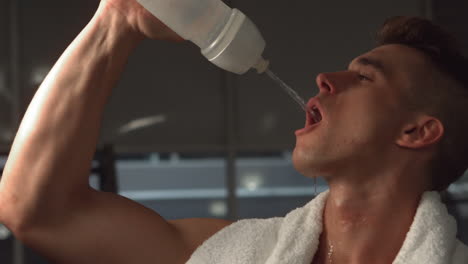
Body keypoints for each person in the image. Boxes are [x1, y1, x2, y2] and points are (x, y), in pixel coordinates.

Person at [0, 0, 467, 263]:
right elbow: (38, 212)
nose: (326, 79)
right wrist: (115, 23)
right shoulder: (236, 255)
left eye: (365, 77)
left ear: (417, 131)